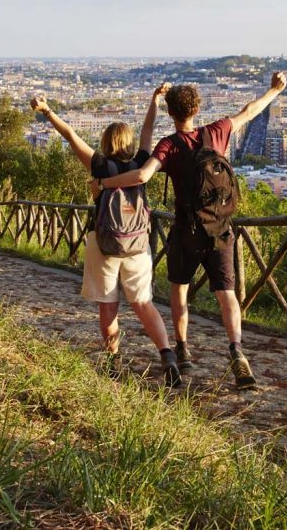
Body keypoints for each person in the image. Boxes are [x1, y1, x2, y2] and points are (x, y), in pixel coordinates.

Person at [92, 73, 287, 389]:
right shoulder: (217, 132)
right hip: (221, 229)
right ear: (197, 108)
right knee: (226, 293)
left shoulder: (169, 145)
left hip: (185, 231)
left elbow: (142, 175)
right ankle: (236, 348)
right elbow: (250, 111)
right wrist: (274, 91)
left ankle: (181, 349)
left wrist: (104, 184)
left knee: (179, 290)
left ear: (171, 113)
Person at [30, 85, 181, 388]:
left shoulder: (99, 165)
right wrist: (154, 99)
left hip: (105, 244)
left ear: (106, 141)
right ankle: (167, 355)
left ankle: (113, 361)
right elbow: (149, 128)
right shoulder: (140, 161)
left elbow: (70, 135)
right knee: (143, 303)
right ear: (128, 141)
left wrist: (47, 112)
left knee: (108, 305)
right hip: (137, 245)